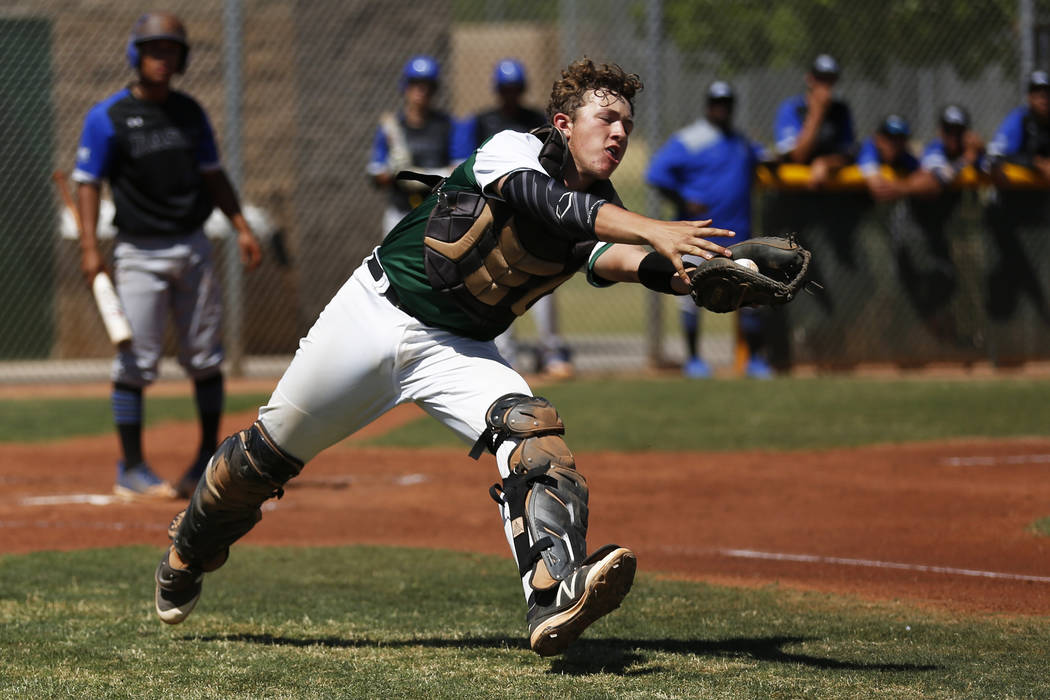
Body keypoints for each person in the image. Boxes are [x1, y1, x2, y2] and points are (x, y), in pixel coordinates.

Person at [153, 58, 738, 657]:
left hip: (457, 349)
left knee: (533, 437)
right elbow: (552, 207)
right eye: (606, 118)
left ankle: (553, 595)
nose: (618, 133)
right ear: (563, 123)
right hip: (374, 314)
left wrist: (691, 277)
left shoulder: (603, 206)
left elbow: (611, 259)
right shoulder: (513, 149)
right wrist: (651, 228)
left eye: (627, 125)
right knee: (261, 460)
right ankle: (188, 550)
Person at [72, 12, 261, 501]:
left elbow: (213, 175)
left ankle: (204, 460)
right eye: (154, 49)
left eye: (171, 50)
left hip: (193, 245)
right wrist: (90, 247)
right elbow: (87, 184)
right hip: (138, 251)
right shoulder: (107, 117)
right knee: (135, 362)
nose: (162, 58)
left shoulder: (190, 113)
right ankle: (131, 467)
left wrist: (240, 225)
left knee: (205, 356)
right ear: (136, 55)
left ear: (182, 58)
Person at [646, 80, 772, 378]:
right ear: (708, 106)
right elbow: (656, 173)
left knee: (751, 298)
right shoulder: (690, 139)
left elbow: (766, 160)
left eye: (726, 103)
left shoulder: (741, 141)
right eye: (717, 103)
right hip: (699, 237)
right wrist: (683, 200)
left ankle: (754, 360)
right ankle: (693, 359)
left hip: (740, 234)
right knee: (691, 295)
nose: (722, 108)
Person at [456, 58, 574, 378]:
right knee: (496, 282)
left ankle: (550, 350)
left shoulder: (535, 119)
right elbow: (463, 163)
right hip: (493, 213)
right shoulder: (481, 121)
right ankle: (504, 357)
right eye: (505, 89)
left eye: (515, 88)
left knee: (544, 280)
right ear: (497, 90)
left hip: (533, 212)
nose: (510, 94)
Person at [367, 55, 462, 236]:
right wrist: (391, 169)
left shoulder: (449, 125)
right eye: (415, 83)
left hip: (440, 211)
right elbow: (376, 174)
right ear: (405, 86)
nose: (422, 90)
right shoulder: (391, 128)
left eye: (428, 85)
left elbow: (460, 170)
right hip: (400, 212)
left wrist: (417, 175)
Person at [773, 54, 856, 188]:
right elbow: (797, 157)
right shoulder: (792, 108)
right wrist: (816, 114)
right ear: (809, 79)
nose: (824, 85)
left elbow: (848, 156)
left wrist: (826, 163)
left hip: (832, 192)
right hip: (795, 191)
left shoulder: (841, 110)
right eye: (820, 79)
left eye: (830, 80)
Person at [987, 69, 1050, 181]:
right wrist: (1035, 163)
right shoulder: (1019, 119)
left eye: (1047, 91)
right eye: (1037, 91)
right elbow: (995, 157)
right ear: (1029, 97)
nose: (1043, 96)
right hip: (1013, 193)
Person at [858, 114, 920, 201]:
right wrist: (906, 186)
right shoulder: (869, 148)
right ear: (879, 139)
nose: (896, 144)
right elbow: (877, 185)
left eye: (901, 138)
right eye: (891, 138)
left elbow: (923, 176)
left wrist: (902, 187)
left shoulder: (903, 155)